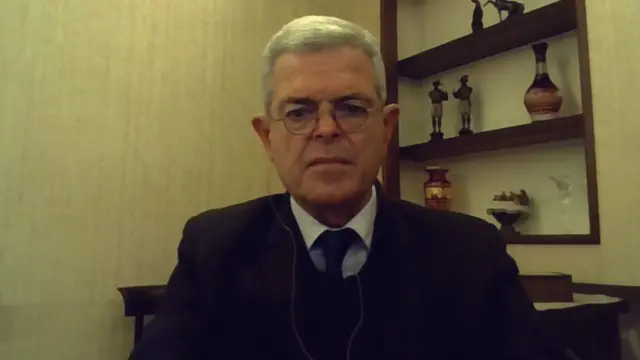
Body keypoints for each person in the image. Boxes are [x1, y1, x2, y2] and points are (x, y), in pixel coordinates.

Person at [128, 15, 544, 360]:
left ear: (387, 128)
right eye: (299, 111)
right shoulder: (214, 248)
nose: (326, 129)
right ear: (266, 137)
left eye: (351, 108)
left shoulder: (470, 253)